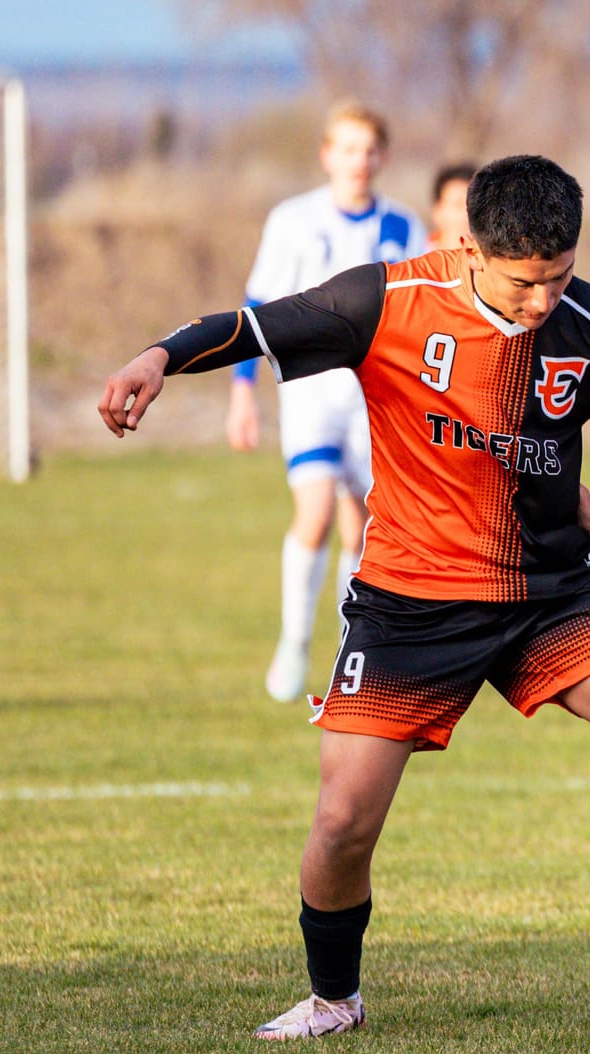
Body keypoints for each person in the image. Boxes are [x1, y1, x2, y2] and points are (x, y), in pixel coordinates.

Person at [98, 154, 590, 1040]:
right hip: (412, 599)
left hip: (553, 590)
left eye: (557, 277)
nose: (542, 301)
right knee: (344, 819)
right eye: (523, 283)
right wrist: (157, 358)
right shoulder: (385, 301)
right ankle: (333, 998)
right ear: (468, 246)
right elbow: (253, 327)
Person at [227, 102, 428, 704]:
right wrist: (243, 391)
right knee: (313, 513)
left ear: (383, 157)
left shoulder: (403, 227)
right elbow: (257, 308)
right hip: (311, 395)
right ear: (326, 153)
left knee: (362, 529)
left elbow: (417, 315)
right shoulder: (292, 221)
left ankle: (350, 653)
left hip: (376, 400)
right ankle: (293, 641)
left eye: (369, 150)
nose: (358, 161)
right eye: (347, 148)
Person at [427, 161, 479, 252]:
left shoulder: (498, 261)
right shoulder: (413, 252)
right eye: (458, 204)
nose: (466, 214)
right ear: (437, 211)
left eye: (472, 204)